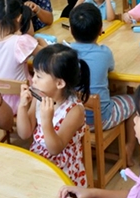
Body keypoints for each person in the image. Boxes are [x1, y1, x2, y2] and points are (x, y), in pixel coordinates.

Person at [69, 3, 137, 166]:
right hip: (101, 119)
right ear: (100, 29)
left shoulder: (65, 53)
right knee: (136, 100)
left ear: (71, 30)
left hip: (72, 119)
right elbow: (111, 68)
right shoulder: (104, 52)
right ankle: (129, 149)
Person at [16, 44, 91, 186]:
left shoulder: (75, 111)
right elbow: (24, 133)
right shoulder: (41, 97)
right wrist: (22, 106)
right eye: (34, 74)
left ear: (60, 83)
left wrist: (46, 122)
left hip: (63, 170)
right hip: (38, 161)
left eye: (39, 76)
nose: (33, 80)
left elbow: (56, 149)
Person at [0, 0, 47, 114]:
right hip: (23, 99)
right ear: (19, 17)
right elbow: (46, 56)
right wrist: (43, 43)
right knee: (47, 92)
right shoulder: (21, 42)